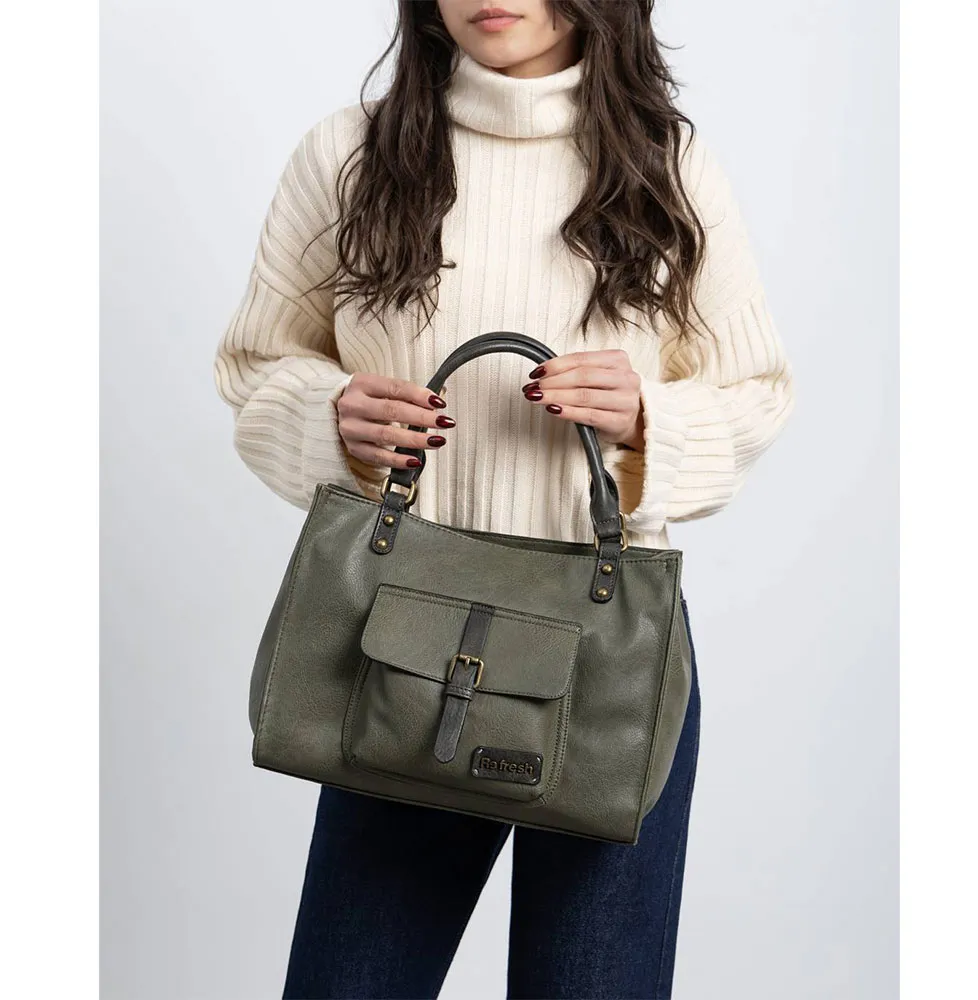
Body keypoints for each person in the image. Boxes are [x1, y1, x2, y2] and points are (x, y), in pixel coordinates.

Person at [213, 2, 794, 997]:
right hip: (398, 636)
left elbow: (756, 392)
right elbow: (256, 364)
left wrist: (647, 418)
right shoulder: (349, 154)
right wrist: (330, 417)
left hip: (608, 654)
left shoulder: (668, 165)